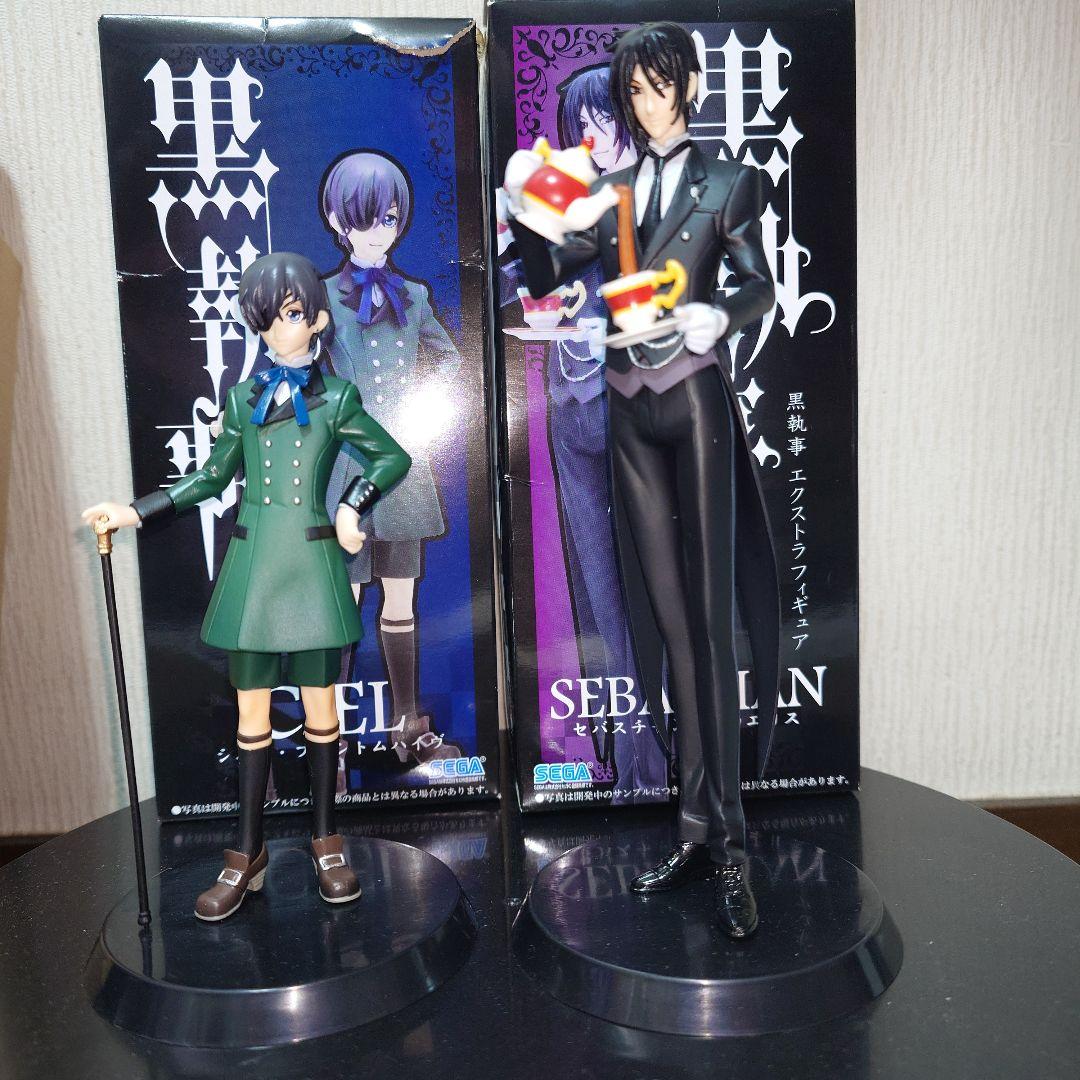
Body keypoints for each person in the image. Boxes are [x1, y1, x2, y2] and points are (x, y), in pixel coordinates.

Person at [504, 22, 781, 939]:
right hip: (628, 408)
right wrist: (531, 209)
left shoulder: (730, 181)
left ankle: (731, 847)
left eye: (661, 85)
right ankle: (695, 829)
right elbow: (548, 272)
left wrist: (719, 314)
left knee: (708, 624)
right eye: (636, 89)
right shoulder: (613, 192)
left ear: (690, 85)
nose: (649, 103)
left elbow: (760, 284)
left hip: (693, 400)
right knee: (668, 630)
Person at [82, 252, 411, 922]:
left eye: (289, 314)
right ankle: (247, 852)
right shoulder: (242, 400)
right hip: (256, 570)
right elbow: (210, 479)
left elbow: (391, 456)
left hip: (313, 569)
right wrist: (135, 511)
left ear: (317, 320)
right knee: (251, 715)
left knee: (322, 710)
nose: (276, 328)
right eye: (265, 317)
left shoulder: (336, 398)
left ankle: (326, 842)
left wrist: (353, 506)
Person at [498, 65, 669, 799]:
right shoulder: (568, 202)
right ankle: (634, 764)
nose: (593, 136)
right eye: (581, 126)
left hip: (641, 419)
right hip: (573, 417)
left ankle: (672, 762)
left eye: (606, 119)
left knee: (654, 592)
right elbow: (511, 282)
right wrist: (525, 228)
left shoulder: (661, 202)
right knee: (601, 596)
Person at [318, 150, 461, 766]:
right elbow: (301, 369)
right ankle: (329, 743)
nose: (378, 231)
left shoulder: (416, 295)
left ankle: (408, 728)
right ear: (336, 220)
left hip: (402, 472)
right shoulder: (321, 297)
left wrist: (420, 405)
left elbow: (451, 363)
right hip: (346, 471)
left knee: (401, 601)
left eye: (389, 218)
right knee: (343, 607)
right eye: (363, 218)